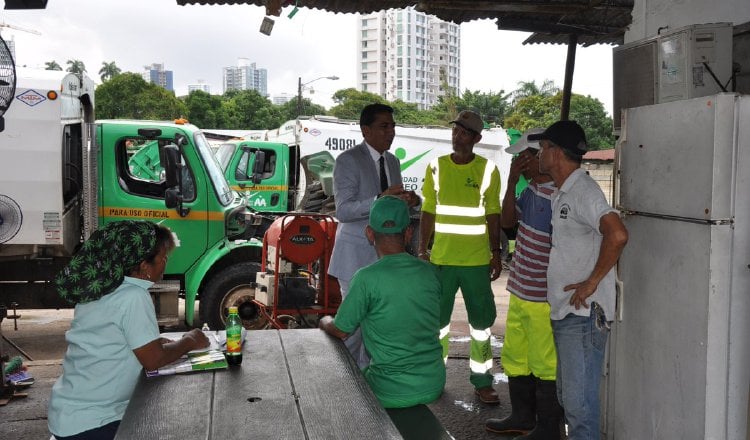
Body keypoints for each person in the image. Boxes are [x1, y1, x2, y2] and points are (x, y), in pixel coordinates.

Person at [48, 220, 209, 440]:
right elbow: (153, 360)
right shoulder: (133, 296)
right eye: (163, 258)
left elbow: (113, 339)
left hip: (70, 413)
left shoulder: (100, 289)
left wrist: (157, 341)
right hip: (93, 422)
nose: (165, 263)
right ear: (144, 266)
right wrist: (190, 340)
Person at [534, 121, 628, 440]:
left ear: (557, 153)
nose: (538, 154)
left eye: (543, 147)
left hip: (584, 316)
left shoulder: (583, 190)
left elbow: (617, 234)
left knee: (580, 409)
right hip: (567, 313)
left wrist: (591, 283)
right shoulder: (564, 192)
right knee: (571, 401)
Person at [319, 196, 445, 409]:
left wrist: (324, 321)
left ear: (370, 233)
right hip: (433, 382)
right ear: (408, 233)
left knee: (336, 391)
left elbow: (341, 330)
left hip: (389, 390)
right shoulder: (431, 272)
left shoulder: (366, 278)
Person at [418, 109, 503, 404]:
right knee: (437, 322)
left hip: (477, 261)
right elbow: (428, 211)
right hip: (441, 259)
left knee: (481, 324)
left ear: (477, 138)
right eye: (456, 130)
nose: (458, 136)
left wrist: (496, 252)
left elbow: (493, 214)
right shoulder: (436, 168)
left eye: (465, 132)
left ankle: (482, 380)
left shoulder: (489, 170)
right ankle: (434, 375)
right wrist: (422, 248)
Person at [328, 103, 419, 368]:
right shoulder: (348, 160)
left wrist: (410, 201)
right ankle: (346, 383)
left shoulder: (392, 161)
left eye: (392, 126)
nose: (390, 132)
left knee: (378, 323)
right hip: (354, 257)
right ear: (365, 130)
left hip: (385, 258)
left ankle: (369, 387)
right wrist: (380, 198)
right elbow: (343, 211)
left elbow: (392, 206)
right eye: (384, 127)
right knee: (353, 328)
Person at [486, 129, 564, 439]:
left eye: (524, 157)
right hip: (519, 290)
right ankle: (521, 416)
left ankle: (547, 428)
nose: (520, 163)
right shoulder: (530, 191)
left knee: (545, 363)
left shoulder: (559, 197)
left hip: (543, 298)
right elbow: (507, 224)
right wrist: (509, 183)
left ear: (540, 157)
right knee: (516, 357)